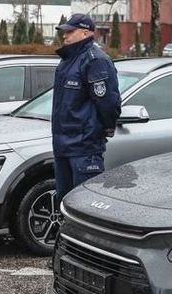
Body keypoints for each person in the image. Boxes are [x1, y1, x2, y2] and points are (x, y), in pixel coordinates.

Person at [51, 13, 121, 211]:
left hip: (84, 148)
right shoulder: (68, 60)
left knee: (85, 207)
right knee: (64, 205)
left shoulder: (95, 60)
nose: (64, 35)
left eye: (69, 31)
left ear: (85, 33)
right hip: (63, 146)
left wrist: (102, 130)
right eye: (64, 31)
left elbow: (108, 103)